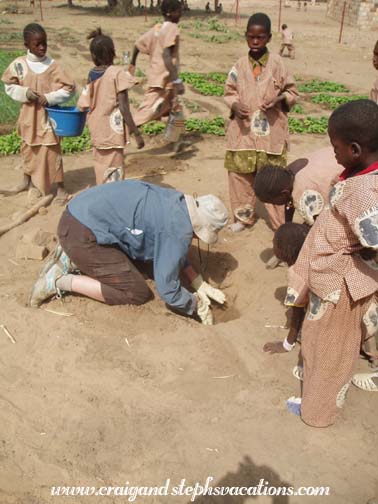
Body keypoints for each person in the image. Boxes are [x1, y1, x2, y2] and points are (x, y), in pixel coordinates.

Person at [283, 100, 378, 426]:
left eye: (335, 146)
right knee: (320, 338)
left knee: (331, 349)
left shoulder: (365, 191)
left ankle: (317, 413)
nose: (332, 152)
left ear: (354, 149)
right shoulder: (359, 173)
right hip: (332, 278)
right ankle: (315, 383)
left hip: (340, 282)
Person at [29, 180, 229, 325]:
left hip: (78, 214)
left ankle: (73, 256)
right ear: (200, 227)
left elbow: (168, 245)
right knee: (136, 292)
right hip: (80, 234)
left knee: (145, 263)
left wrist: (196, 280)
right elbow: (168, 291)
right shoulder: (177, 230)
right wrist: (195, 304)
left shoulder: (174, 202)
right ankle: (59, 280)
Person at [224, 12, 298, 234]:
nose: (255, 42)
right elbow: (229, 92)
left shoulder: (278, 64)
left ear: (269, 38)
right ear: (246, 36)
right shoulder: (238, 66)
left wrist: (279, 100)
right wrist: (235, 105)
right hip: (243, 133)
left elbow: (292, 92)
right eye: (251, 37)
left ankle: (279, 225)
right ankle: (243, 217)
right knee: (240, 176)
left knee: (273, 179)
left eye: (261, 37)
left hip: (270, 134)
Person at [1, 23, 75, 204]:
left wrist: (49, 97)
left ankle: (61, 187)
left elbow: (70, 89)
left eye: (44, 43)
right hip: (28, 118)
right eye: (37, 44)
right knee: (28, 148)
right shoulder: (19, 65)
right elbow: (9, 85)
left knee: (52, 150)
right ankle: (27, 182)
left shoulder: (53, 66)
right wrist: (24, 93)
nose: (42, 47)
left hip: (49, 119)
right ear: (27, 45)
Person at [77, 28, 144, 185]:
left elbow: (83, 103)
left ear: (93, 56)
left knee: (100, 167)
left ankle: (102, 195)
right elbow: (124, 107)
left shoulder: (91, 74)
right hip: (112, 133)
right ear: (114, 53)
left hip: (97, 130)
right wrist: (136, 132)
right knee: (115, 170)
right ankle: (113, 201)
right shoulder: (116, 74)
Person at [128, 0, 184, 131]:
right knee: (146, 112)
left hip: (158, 77)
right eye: (178, 11)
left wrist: (132, 63)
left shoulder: (157, 28)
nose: (181, 14)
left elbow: (137, 44)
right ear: (169, 13)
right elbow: (166, 55)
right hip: (165, 79)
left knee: (175, 108)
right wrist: (177, 80)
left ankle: (176, 139)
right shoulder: (172, 28)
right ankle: (125, 132)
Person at [254, 146, 343, 226]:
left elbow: (318, 225)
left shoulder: (303, 193)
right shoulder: (289, 173)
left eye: (273, 202)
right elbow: (289, 201)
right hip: (340, 154)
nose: (275, 205)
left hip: (352, 177)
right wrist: (287, 224)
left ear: (284, 193)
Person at [263, 222, 309, 355]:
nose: (273, 246)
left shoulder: (296, 273)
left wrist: (287, 344)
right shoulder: (310, 258)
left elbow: (297, 311)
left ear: (285, 250)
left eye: (275, 244)